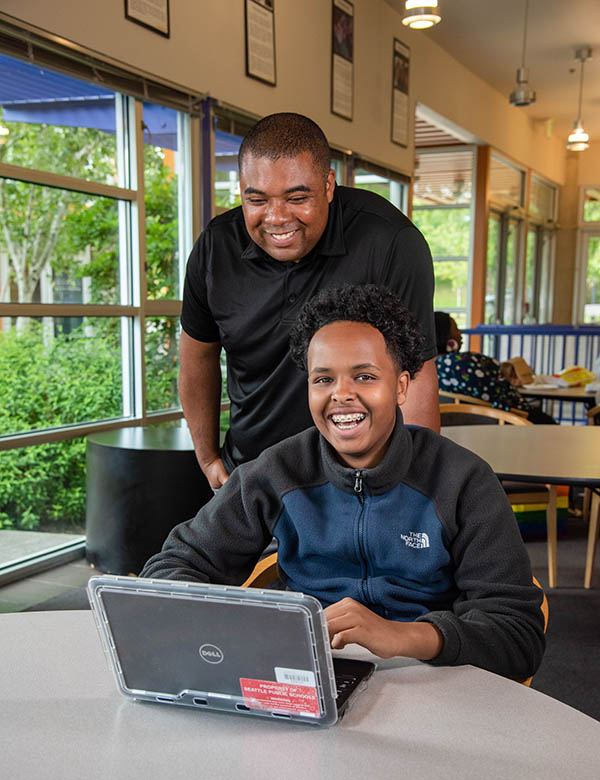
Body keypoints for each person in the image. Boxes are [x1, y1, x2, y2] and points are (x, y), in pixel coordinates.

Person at [142, 285, 545, 680]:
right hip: (305, 677)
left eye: (365, 377)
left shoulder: (463, 481)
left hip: (427, 677)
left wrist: (405, 636)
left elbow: (518, 636)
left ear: (401, 386)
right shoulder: (277, 471)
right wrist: (248, 626)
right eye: (323, 380)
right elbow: (171, 567)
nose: (341, 394)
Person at [179, 112, 439, 490]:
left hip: (358, 484)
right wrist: (207, 458)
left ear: (329, 184)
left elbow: (416, 377)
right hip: (251, 478)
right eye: (257, 199)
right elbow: (197, 355)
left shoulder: (391, 243)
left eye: (297, 198)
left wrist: (415, 495)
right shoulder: (216, 247)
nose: (277, 217)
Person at [434, 311, 556, 424]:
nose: (460, 333)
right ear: (444, 335)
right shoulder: (462, 362)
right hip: (510, 418)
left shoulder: (429, 367)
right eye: (455, 329)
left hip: (466, 423)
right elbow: (499, 391)